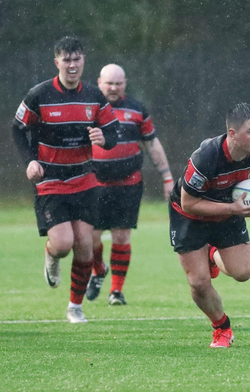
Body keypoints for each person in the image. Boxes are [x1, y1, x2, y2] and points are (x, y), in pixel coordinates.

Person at [11, 36, 118, 323]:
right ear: (56, 61)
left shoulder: (94, 96)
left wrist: (104, 138)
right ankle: (51, 255)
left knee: (85, 245)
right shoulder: (39, 94)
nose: (72, 65)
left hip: (84, 178)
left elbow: (113, 131)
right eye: (66, 59)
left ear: (83, 61)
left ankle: (75, 307)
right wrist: (30, 160)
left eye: (77, 59)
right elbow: (18, 128)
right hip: (51, 179)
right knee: (62, 244)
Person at [168, 102, 250, 348]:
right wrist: (233, 209)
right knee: (199, 283)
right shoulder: (206, 158)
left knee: (242, 273)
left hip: (227, 210)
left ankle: (211, 252)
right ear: (232, 134)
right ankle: (221, 327)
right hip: (190, 215)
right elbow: (188, 203)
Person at [85, 64, 174, 305]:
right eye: (109, 83)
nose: (113, 88)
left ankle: (116, 291)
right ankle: (99, 269)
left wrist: (167, 178)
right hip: (94, 184)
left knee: (121, 237)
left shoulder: (136, 108)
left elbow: (152, 144)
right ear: (99, 82)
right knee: (89, 239)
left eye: (118, 83)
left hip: (128, 184)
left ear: (125, 83)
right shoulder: (88, 108)